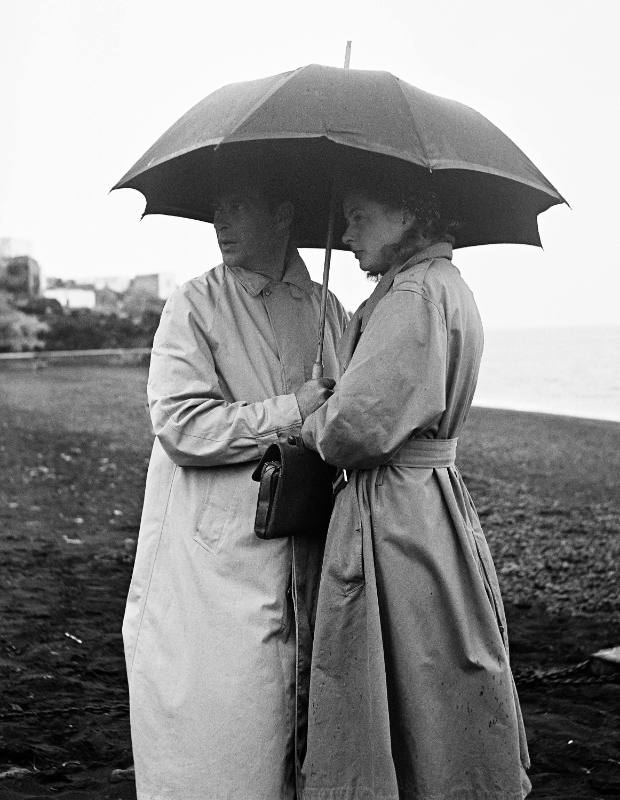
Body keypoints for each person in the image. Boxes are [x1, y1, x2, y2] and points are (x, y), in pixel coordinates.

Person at [297, 172, 531, 800]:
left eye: (358, 215)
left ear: (406, 214)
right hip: (434, 499)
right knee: (442, 659)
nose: (346, 236)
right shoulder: (449, 287)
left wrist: (316, 411)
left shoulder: (412, 295)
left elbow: (355, 430)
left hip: (394, 506)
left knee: (399, 666)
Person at [122, 172, 347, 800]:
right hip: (211, 550)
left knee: (296, 707)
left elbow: (345, 414)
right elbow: (178, 425)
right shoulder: (196, 303)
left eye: (238, 205)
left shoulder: (328, 307)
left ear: (283, 210)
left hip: (303, 537)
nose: (220, 221)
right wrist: (289, 410)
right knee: (219, 709)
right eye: (216, 207)